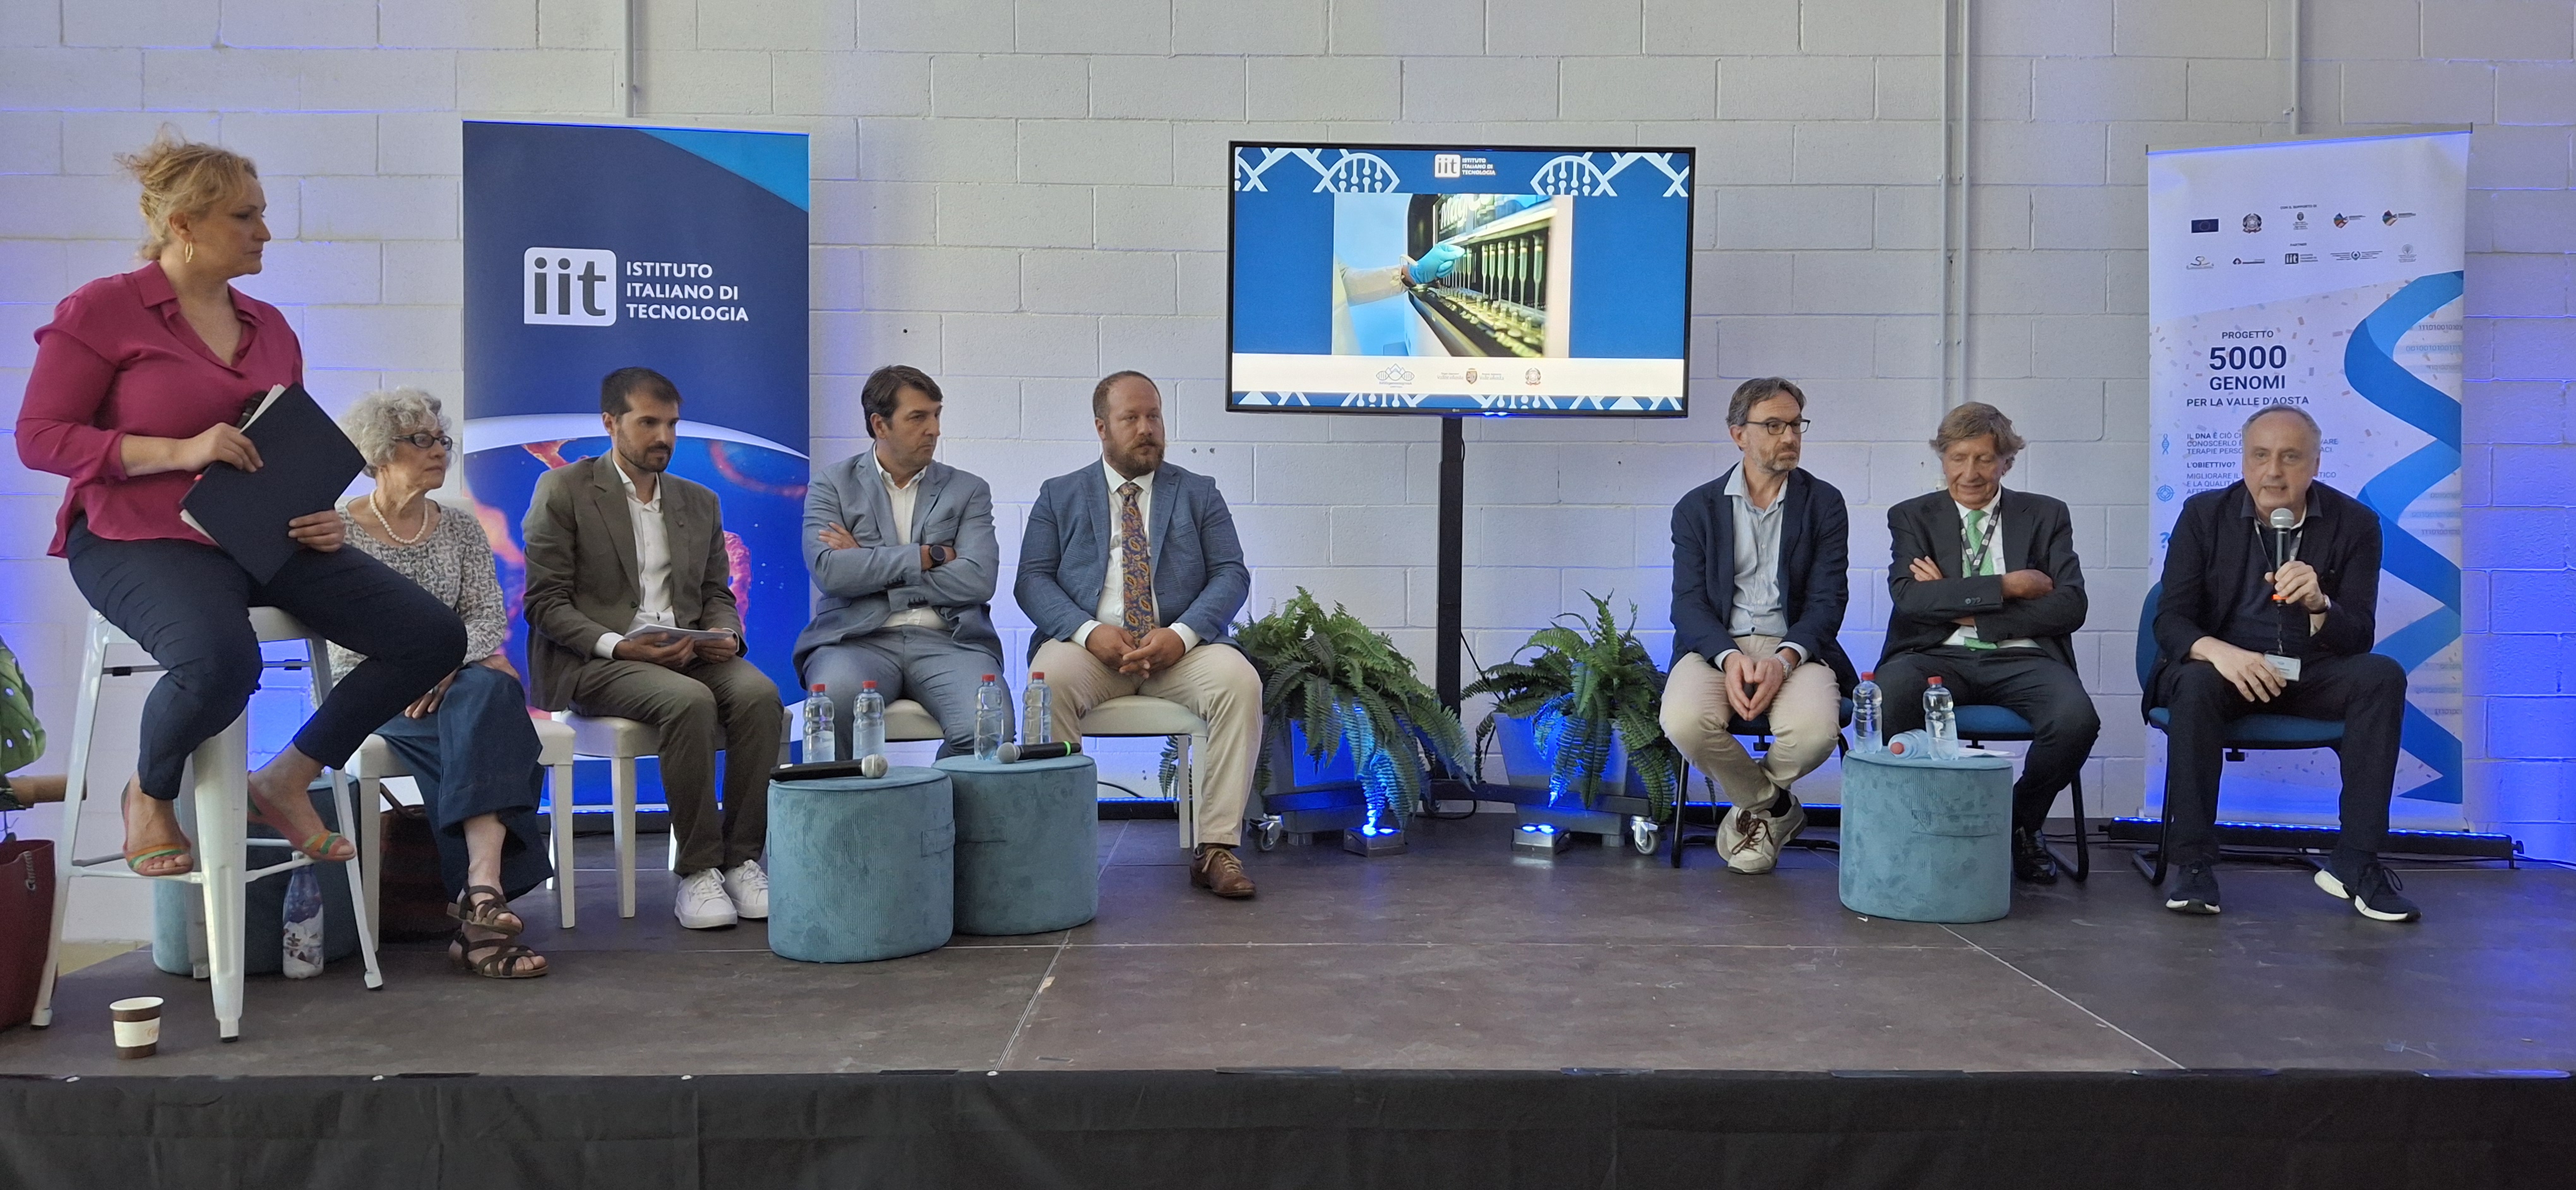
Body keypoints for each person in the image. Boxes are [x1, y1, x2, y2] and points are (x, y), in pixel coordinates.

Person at [15, 132, 462, 878]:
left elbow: (282, 448)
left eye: (262, 213)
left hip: (258, 537)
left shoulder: (270, 327)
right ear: (183, 224)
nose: (265, 232)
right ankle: (149, 791)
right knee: (222, 660)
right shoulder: (102, 309)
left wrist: (319, 512)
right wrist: (179, 449)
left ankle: (287, 778)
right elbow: (40, 438)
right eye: (244, 217)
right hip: (134, 538)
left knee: (431, 636)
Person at [522, 368, 783, 930]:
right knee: (687, 702)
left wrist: (725, 635)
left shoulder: (699, 500)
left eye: (671, 424)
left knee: (761, 696)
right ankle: (698, 871)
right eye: (648, 423)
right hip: (597, 659)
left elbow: (716, 593)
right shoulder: (564, 490)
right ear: (610, 423)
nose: (663, 437)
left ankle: (741, 861)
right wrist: (622, 647)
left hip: (689, 650)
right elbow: (545, 603)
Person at [2146, 403, 2416, 922]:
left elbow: (2359, 636)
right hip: (2226, 672)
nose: (2273, 472)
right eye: (2260, 456)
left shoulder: (2356, 524)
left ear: (2315, 464)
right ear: (2244, 460)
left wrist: (2320, 605)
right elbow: (2172, 620)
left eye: (2290, 457)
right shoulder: (2203, 515)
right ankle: (2194, 865)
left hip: (2309, 671)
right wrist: (2221, 653)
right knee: (2195, 685)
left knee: (2381, 676)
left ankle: (2357, 862)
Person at [1015, 371, 1263, 899]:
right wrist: (1088, 633)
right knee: (1046, 681)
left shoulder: (1198, 492)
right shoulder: (1059, 495)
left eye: (1154, 416)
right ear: (1102, 428)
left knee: (1239, 681)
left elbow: (1231, 574)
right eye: (1131, 418)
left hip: (1178, 652)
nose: (1147, 428)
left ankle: (1216, 847)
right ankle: (1060, 850)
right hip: (1091, 652)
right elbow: (1032, 580)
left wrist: (1183, 634)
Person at [335, 388, 551, 978]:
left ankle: (482, 890)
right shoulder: (339, 530)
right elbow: (336, 633)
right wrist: (423, 663)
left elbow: (486, 615)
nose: (439, 451)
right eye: (422, 440)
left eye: (442, 440)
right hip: (370, 688)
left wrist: (445, 660)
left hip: (454, 682)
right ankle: (481, 919)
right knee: (497, 724)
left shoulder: (458, 527)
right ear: (380, 451)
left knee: (490, 695)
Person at [1875, 402, 2098, 884]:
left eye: (1983, 459)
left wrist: (1957, 601)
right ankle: (1922, 826)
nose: (1970, 473)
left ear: (2006, 463)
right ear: (1942, 459)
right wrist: (2009, 586)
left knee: (2076, 720)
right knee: (1889, 696)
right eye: (1958, 458)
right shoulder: (1912, 516)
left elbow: (2070, 606)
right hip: (1933, 654)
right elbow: (1910, 599)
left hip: (2023, 656)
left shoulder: (2046, 514)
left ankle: (2019, 823)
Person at [1661, 376, 1856, 875]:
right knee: (1683, 722)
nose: (1789, 436)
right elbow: (1687, 604)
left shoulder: (1824, 503)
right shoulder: (1697, 508)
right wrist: (1729, 658)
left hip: (1796, 648)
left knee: (1815, 734)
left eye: (1795, 425)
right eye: (1773, 426)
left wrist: (1784, 659)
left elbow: (1828, 601)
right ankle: (1776, 809)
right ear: (1738, 435)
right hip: (1716, 647)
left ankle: (1751, 814)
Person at [795, 365, 1008, 757]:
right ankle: (853, 802)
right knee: (832, 707)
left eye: (937, 415)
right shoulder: (832, 485)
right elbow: (831, 573)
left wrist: (867, 564)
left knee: (990, 724)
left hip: (951, 640)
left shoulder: (968, 489)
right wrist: (928, 557)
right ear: (880, 425)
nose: (934, 429)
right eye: (918, 417)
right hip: (855, 640)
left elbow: (979, 580)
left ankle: (942, 799)